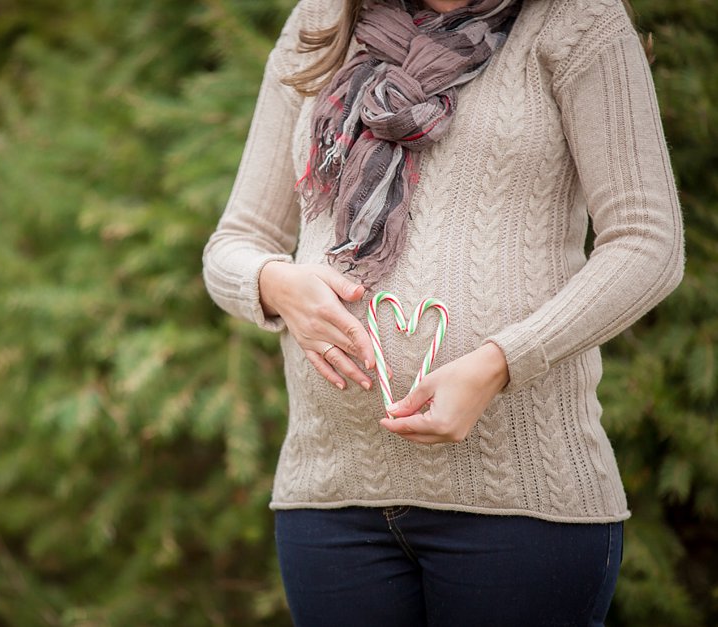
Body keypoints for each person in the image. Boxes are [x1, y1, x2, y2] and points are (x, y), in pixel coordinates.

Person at [202, 0, 684, 624]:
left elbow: (649, 241)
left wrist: (501, 363)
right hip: (330, 496)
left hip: (520, 504)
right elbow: (235, 242)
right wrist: (274, 283)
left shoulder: (577, 22)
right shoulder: (322, 20)